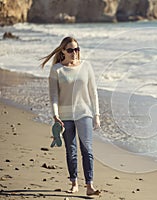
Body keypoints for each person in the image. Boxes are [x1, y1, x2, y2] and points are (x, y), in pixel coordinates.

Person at [41, 36, 101, 196]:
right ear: (63, 51)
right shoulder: (57, 70)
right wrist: (55, 115)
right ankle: (74, 183)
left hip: (84, 113)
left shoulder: (86, 66)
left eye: (77, 49)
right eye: (70, 50)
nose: (74, 52)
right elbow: (53, 95)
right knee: (71, 150)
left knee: (87, 149)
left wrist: (96, 114)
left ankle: (90, 185)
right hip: (65, 116)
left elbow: (93, 92)